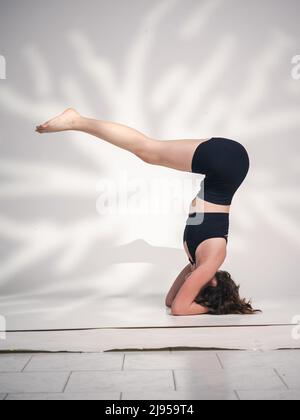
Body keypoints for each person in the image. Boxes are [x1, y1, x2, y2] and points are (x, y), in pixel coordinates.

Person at [36, 108, 261, 317]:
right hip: (230, 162)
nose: (189, 284)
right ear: (212, 283)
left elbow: (171, 301)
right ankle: (77, 120)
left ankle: (78, 121)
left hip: (226, 166)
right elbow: (180, 309)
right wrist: (213, 308)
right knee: (148, 151)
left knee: (148, 152)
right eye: (198, 289)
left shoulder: (196, 262)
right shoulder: (213, 259)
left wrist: (204, 297)